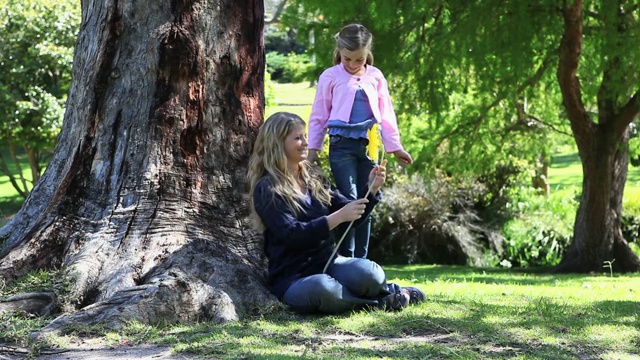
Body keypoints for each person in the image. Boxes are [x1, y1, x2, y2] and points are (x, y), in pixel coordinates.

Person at [248, 112, 424, 314]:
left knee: (370, 273)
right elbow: (293, 234)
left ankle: (391, 293)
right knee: (323, 288)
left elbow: (351, 218)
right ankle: (384, 300)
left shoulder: (312, 177)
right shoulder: (267, 188)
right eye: (298, 138)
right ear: (277, 143)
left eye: (305, 136)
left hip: (330, 263)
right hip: (293, 278)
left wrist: (371, 189)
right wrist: (337, 217)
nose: (305, 143)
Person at [307, 23, 413, 259]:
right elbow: (318, 116)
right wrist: (312, 150)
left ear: (367, 54)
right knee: (350, 202)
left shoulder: (375, 76)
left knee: (368, 200)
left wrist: (395, 148)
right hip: (341, 146)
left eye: (360, 59)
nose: (354, 65)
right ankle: (346, 259)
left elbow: (386, 114)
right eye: (348, 59)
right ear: (339, 51)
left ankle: (361, 262)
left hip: (369, 146)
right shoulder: (330, 76)